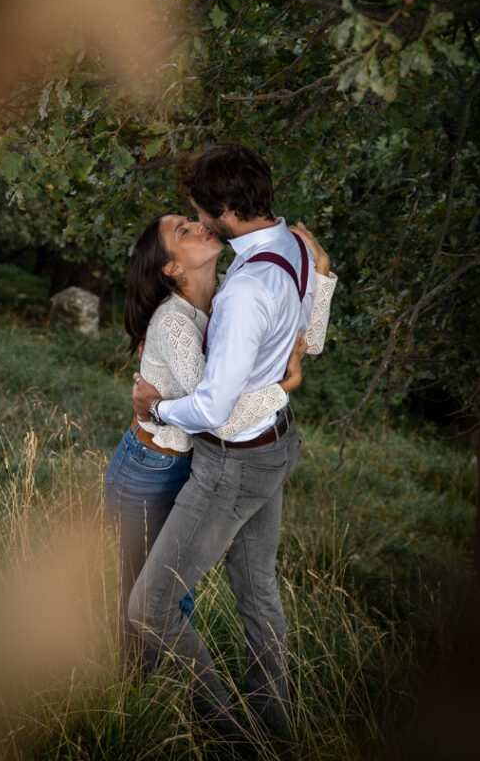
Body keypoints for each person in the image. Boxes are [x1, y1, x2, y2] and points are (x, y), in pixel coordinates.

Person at [129, 144, 335, 736]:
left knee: (151, 609)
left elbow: (216, 411)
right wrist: (287, 377)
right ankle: (274, 731)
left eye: (197, 209)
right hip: (276, 442)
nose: (193, 217)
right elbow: (308, 342)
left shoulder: (243, 292)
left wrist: (156, 404)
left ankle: (234, 739)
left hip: (237, 460)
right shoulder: (293, 244)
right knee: (257, 590)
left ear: (222, 210)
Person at [105, 213, 327, 667]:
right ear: (172, 268)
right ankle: (130, 711)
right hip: (151, 467)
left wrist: (319, 273)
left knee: (170, 601)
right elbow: (218, 419)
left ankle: (172, 711)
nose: (199, 225)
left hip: (202, 462)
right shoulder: (173, 323)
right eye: (182, 231)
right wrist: (283, 388)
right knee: (144, 604)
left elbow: (311, 341)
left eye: (192, 220)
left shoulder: (234, 288)